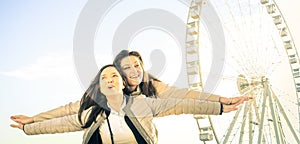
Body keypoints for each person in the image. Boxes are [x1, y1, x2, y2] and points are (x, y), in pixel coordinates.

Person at [11, 64, 244, 144]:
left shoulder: (144, 105)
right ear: (100, 88)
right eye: (103, 78)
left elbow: (183, 103)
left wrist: (221, 106)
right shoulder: (93, 114)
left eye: (114, 76)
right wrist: (28, 125)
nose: (109, 80)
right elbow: (61, 122)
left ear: (122, 84)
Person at [11, 50, 250, 125]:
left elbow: (186, 97)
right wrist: (34, 119)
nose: (135, 70)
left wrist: (221, 101)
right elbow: (71, 110)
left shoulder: (152, 87)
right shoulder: (107, 93)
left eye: (138, 65)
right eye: (127, 67)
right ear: (118, 74)